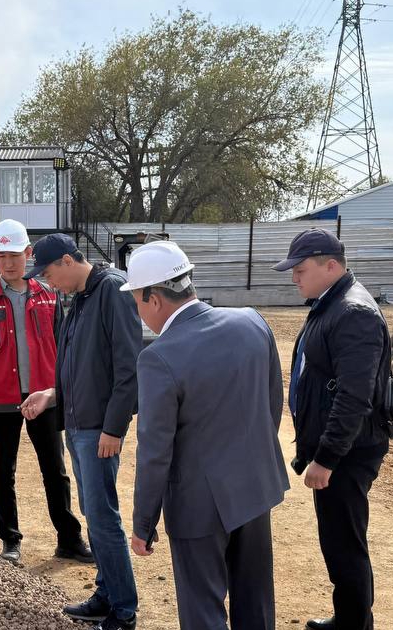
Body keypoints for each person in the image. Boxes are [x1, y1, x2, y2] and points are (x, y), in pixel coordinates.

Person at [123, 241, 289, 630]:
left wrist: (144, 523)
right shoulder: (251, 322)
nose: (138, 313)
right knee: (255, 601)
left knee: (203, 610)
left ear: (153, 299)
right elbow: (271, 402)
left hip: (198, 505)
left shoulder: (159, 356)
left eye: (136, 302)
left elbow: (155, 452)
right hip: (254, 488)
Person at [20, 233, 142, 630]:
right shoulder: (82, 296)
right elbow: (86, 367)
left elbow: (129, 367)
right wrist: (52, 394)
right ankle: (106, 593)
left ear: (68, 261)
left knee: (103, 517)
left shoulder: (112, 291)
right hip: (78, 423)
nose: (48, 281)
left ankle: (123, 610)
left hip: (98, 429)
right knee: (93, 512)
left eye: (49, 273)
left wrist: (114, 428)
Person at [273, 228, 391, 630]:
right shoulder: (331, 303)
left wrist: (326, 458)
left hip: (348, 454)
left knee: (345, 545)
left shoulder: (353, 312)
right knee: (338, 541)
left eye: (300, 269)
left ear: (331, 265)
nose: (294, 277)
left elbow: (354, 397)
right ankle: (348, 617)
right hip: (340, 450)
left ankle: (354, 624)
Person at [0, 219, 93, 567]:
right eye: (1, 256)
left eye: (14, 255)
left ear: (28, 253)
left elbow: (65, 346)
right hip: (0, 403)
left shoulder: (50, 294)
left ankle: (69, 540)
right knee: (3, 473)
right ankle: (10, 540)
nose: (8, 263)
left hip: (44, 399)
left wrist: (60, 393)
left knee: (56, 471)